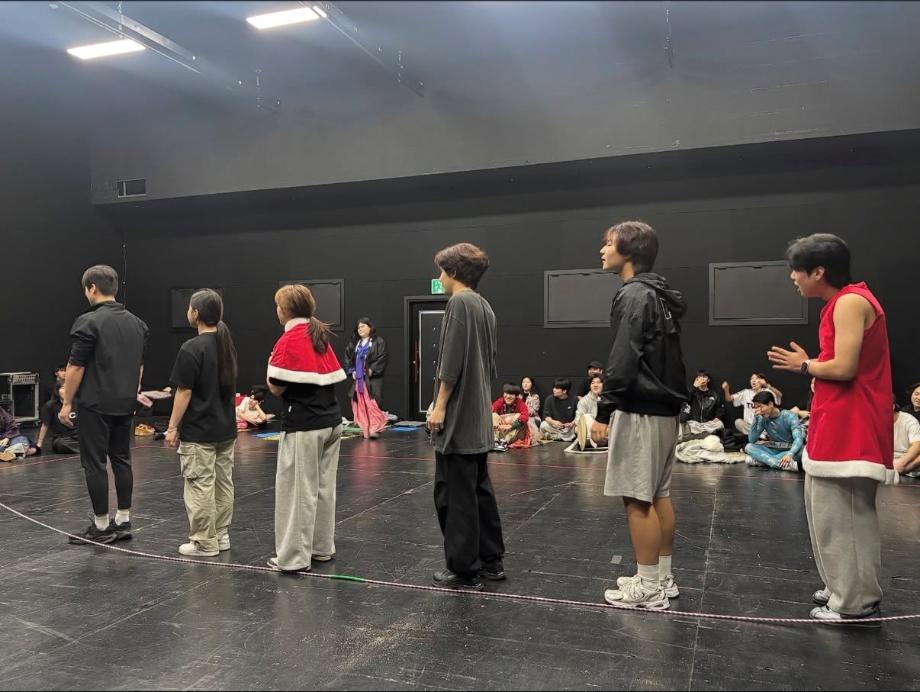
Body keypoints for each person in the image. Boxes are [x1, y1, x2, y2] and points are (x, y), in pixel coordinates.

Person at [769, 233, 895, 624]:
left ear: (819, 271)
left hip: (851, 427)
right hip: (836, 423)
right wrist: (813, 364)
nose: (793, 277)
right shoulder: (842, 303)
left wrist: (805, 365)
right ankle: (842, 584)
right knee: (829, 515)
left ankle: (854, 601)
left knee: (845, 519)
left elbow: (845, 367)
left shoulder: (850, 302)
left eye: (797, 270)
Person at [589, 221, 688, 610]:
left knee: (637, 499)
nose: (602, 250)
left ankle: (647, 588)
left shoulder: (633, 294)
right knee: (659, 494)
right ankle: (661, 578)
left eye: (608, 243)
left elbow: (623, 356)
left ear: (629, 250)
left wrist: (604, 409)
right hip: (664, 410)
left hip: (641, 409)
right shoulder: (658, 294)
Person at [427, 242, 505, 590]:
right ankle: (491, 560)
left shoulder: (458, 303)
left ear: (454, 272)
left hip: (459, 417)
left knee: (454, 495)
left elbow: (451, 361)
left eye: (442, 271)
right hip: (477, 417)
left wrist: (440, 405)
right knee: (478, 491)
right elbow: (490, 363)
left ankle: (463, 566)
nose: (440, 277)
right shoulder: (485, 306)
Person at [60, 265, 148, 545]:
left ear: (92, 289)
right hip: (125, 402)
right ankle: (123, 520)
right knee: (121, 459)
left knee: (94, 463)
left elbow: (75, 367)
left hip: (95, 403)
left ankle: (100, 526)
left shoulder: (88, 321)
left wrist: (66, 402)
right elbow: (139, 365)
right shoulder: (137, 324)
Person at [266, 284, 346, 573]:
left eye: (278, 306)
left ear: (286, 310)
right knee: (324, 490)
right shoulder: (318, 335)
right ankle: (321, 548)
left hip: (305, 426)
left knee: (298, 492)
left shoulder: (289, 339)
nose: (276, 311)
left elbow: (276, 386)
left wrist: (270, 366)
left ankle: (293, 558)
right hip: (332, 423)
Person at [165, 289, 239, 557]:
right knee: (223, 483)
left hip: (199, 431)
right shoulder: (226, 345)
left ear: (195, 313)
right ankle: (220, 535)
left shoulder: (192, 348)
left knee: (200, 485)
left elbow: (184, 392)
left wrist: (172, 426)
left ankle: (204, 542)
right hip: (225, 429)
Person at [343, 317, 389, 439]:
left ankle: (376, 428)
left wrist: (371, 369)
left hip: (372, 378)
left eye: (363, 326)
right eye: (358, 327)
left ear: (370, 327)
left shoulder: (378, 342)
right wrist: (351, 371)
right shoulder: (354, 343)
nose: (360, 329)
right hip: (358, 378)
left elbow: (383, 356)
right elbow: (347, 358)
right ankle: (366, 429)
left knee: (373, 402)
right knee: (361, 404)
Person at [743, 390, 805, 472]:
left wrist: (790, 454)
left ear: (771, 404)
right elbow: (752, 440)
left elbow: (798, 439)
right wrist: (755, 419)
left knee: (802, 451)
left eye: (760, 407)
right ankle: (778, 464)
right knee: (749, 447)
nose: (758, 410)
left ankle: (762, 461)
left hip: (789, 450)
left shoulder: (789, 416)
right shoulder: (762, 418)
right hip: (774, 450)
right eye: (756, 407)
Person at [679, 369, 726, 440]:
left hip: (708, 424)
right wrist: (694, 387)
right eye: (699, 377)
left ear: (708, 380)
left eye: (704, 377)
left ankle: (699, 435)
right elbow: (684, 401)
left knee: (720, 424)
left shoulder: (714, 394)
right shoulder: (692, 393)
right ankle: (705, 435)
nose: (702, 379)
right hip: (694, 424)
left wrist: (717, 417)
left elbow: (721, 408)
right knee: (682, 426)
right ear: (696, 380)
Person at [36, 385, 80, 454]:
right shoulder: (50, 405)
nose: (65, 391)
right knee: (60, 444)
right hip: (63, 438)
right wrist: (39, 444)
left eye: (67, 388)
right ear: (57, 390)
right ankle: (84, 449)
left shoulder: (78, 403)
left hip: (78, 436)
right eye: (63, 388)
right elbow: (45, 425)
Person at [491, 384, 530, 451]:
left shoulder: (520, 403)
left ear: (516, 396)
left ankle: (505, 442)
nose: (508, 396)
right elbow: (491, 410)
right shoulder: (500, 401)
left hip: (514, 433)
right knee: (493, 415)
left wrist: (511, 426)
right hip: (501, 431)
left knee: (519, 416)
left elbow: (525, 416)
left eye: (511, 394)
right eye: (506, 393)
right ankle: (495, 440)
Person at [573, 374, 607, 450]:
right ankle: (591, 441)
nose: (595, 385)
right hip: (589, 429)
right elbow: (578, 419)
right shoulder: (584, 401)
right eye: (593, 383)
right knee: (586, 417)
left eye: (598, 382)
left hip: (605, 429)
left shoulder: (609, 399)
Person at [893, 399, 920, 477]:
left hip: (907, 461)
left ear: (892, 406)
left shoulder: (909, 421)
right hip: (887, 463)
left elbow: (917, 445)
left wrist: (901, 463)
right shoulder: (876, 420)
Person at [521, 376, 542, 442]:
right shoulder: (518, 396)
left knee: (527, 421)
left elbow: (533, 411)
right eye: (523, 382)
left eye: (528, 382)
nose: (525, 384)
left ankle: (532, 438)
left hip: (533, 418)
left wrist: (523, 414)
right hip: (520, 417)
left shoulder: (535, 396)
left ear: (532, 384)